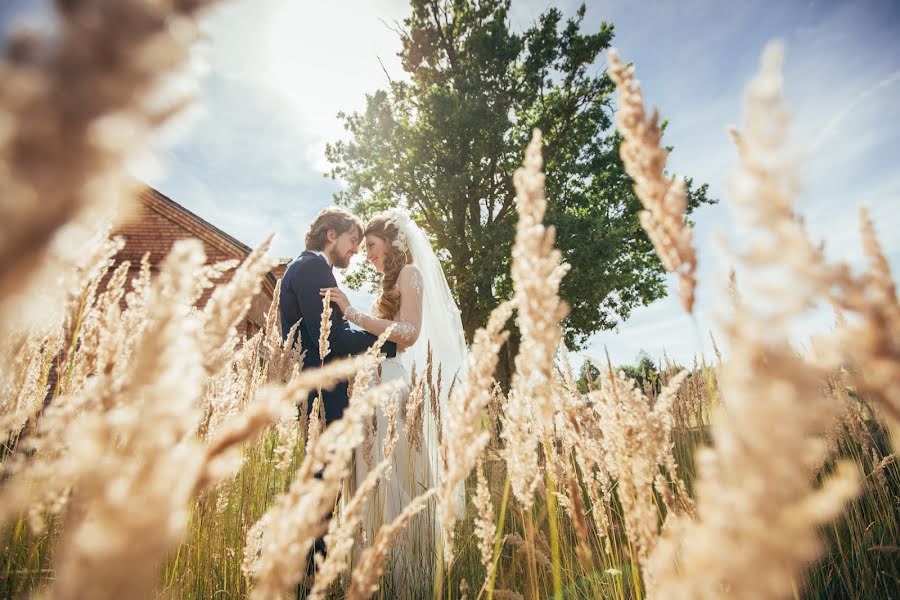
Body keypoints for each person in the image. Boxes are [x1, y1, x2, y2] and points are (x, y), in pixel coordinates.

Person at [319, 207, 467, 585]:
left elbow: (409, 332)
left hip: (392, 384)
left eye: (370, 245)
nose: (366, 254)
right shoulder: (392, 281)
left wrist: (351, 312)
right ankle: (375, 573)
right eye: (364, 246)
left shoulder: (410, 273)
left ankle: (405, 576)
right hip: (374, 384)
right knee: (373, 474)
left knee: (394, 473)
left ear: (392, 242)